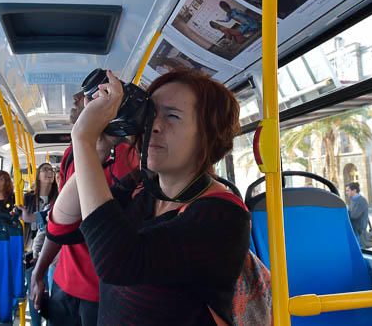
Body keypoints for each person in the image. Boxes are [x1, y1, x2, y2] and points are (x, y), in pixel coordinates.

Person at [71, 69, 250, 325]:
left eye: (173, 116)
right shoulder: (141, 188)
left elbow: (119, 261)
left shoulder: (224, 217)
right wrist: (100, 146)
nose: (154, 126)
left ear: (209, 134)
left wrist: (83, 140)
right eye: (151, 114)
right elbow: (64, 226)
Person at [31, 88, 140, 326]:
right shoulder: (73, 153)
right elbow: (60, 224)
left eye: (88, 95)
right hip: (64, 283)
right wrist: (39, 272)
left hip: (104, 292)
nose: (76, 98)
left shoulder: (128, 157)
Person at [18, 163, 59, 326]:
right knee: (33, 291)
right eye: (45, 169)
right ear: (38, 174)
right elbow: (24, 219)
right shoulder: (28, 198)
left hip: (52, 250)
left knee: (52, 292)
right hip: (32, 248)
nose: (49, 172)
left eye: (51, 170)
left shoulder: (59, 196)